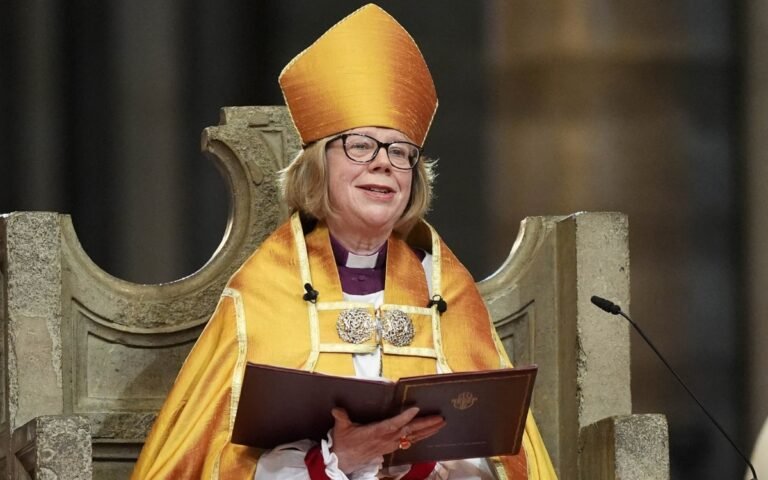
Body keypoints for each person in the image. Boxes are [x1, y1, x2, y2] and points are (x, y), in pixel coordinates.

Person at [131, 4, 557, 479]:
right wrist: (336, 461)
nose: (383, 163)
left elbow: (503, 460)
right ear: (318, 164)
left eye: (401, 152)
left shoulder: (446, 291)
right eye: (360, 145)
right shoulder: (263, 294)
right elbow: (214, 463)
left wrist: (419, 456)